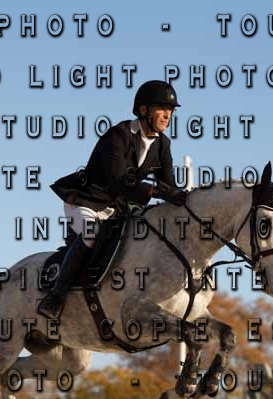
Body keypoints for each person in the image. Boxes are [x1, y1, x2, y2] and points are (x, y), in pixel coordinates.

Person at [40, 80, 187, 319]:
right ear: (143, 110)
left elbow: (169, 185)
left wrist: (185, 199)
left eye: (170, 110)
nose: (167, 115)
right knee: (92, 234)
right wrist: (153, 191)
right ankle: (55, 297)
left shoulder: (163, 145)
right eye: (162, 108)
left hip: (117, 210)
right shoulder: (118, 135)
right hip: (86, 202)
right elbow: (117, 181)